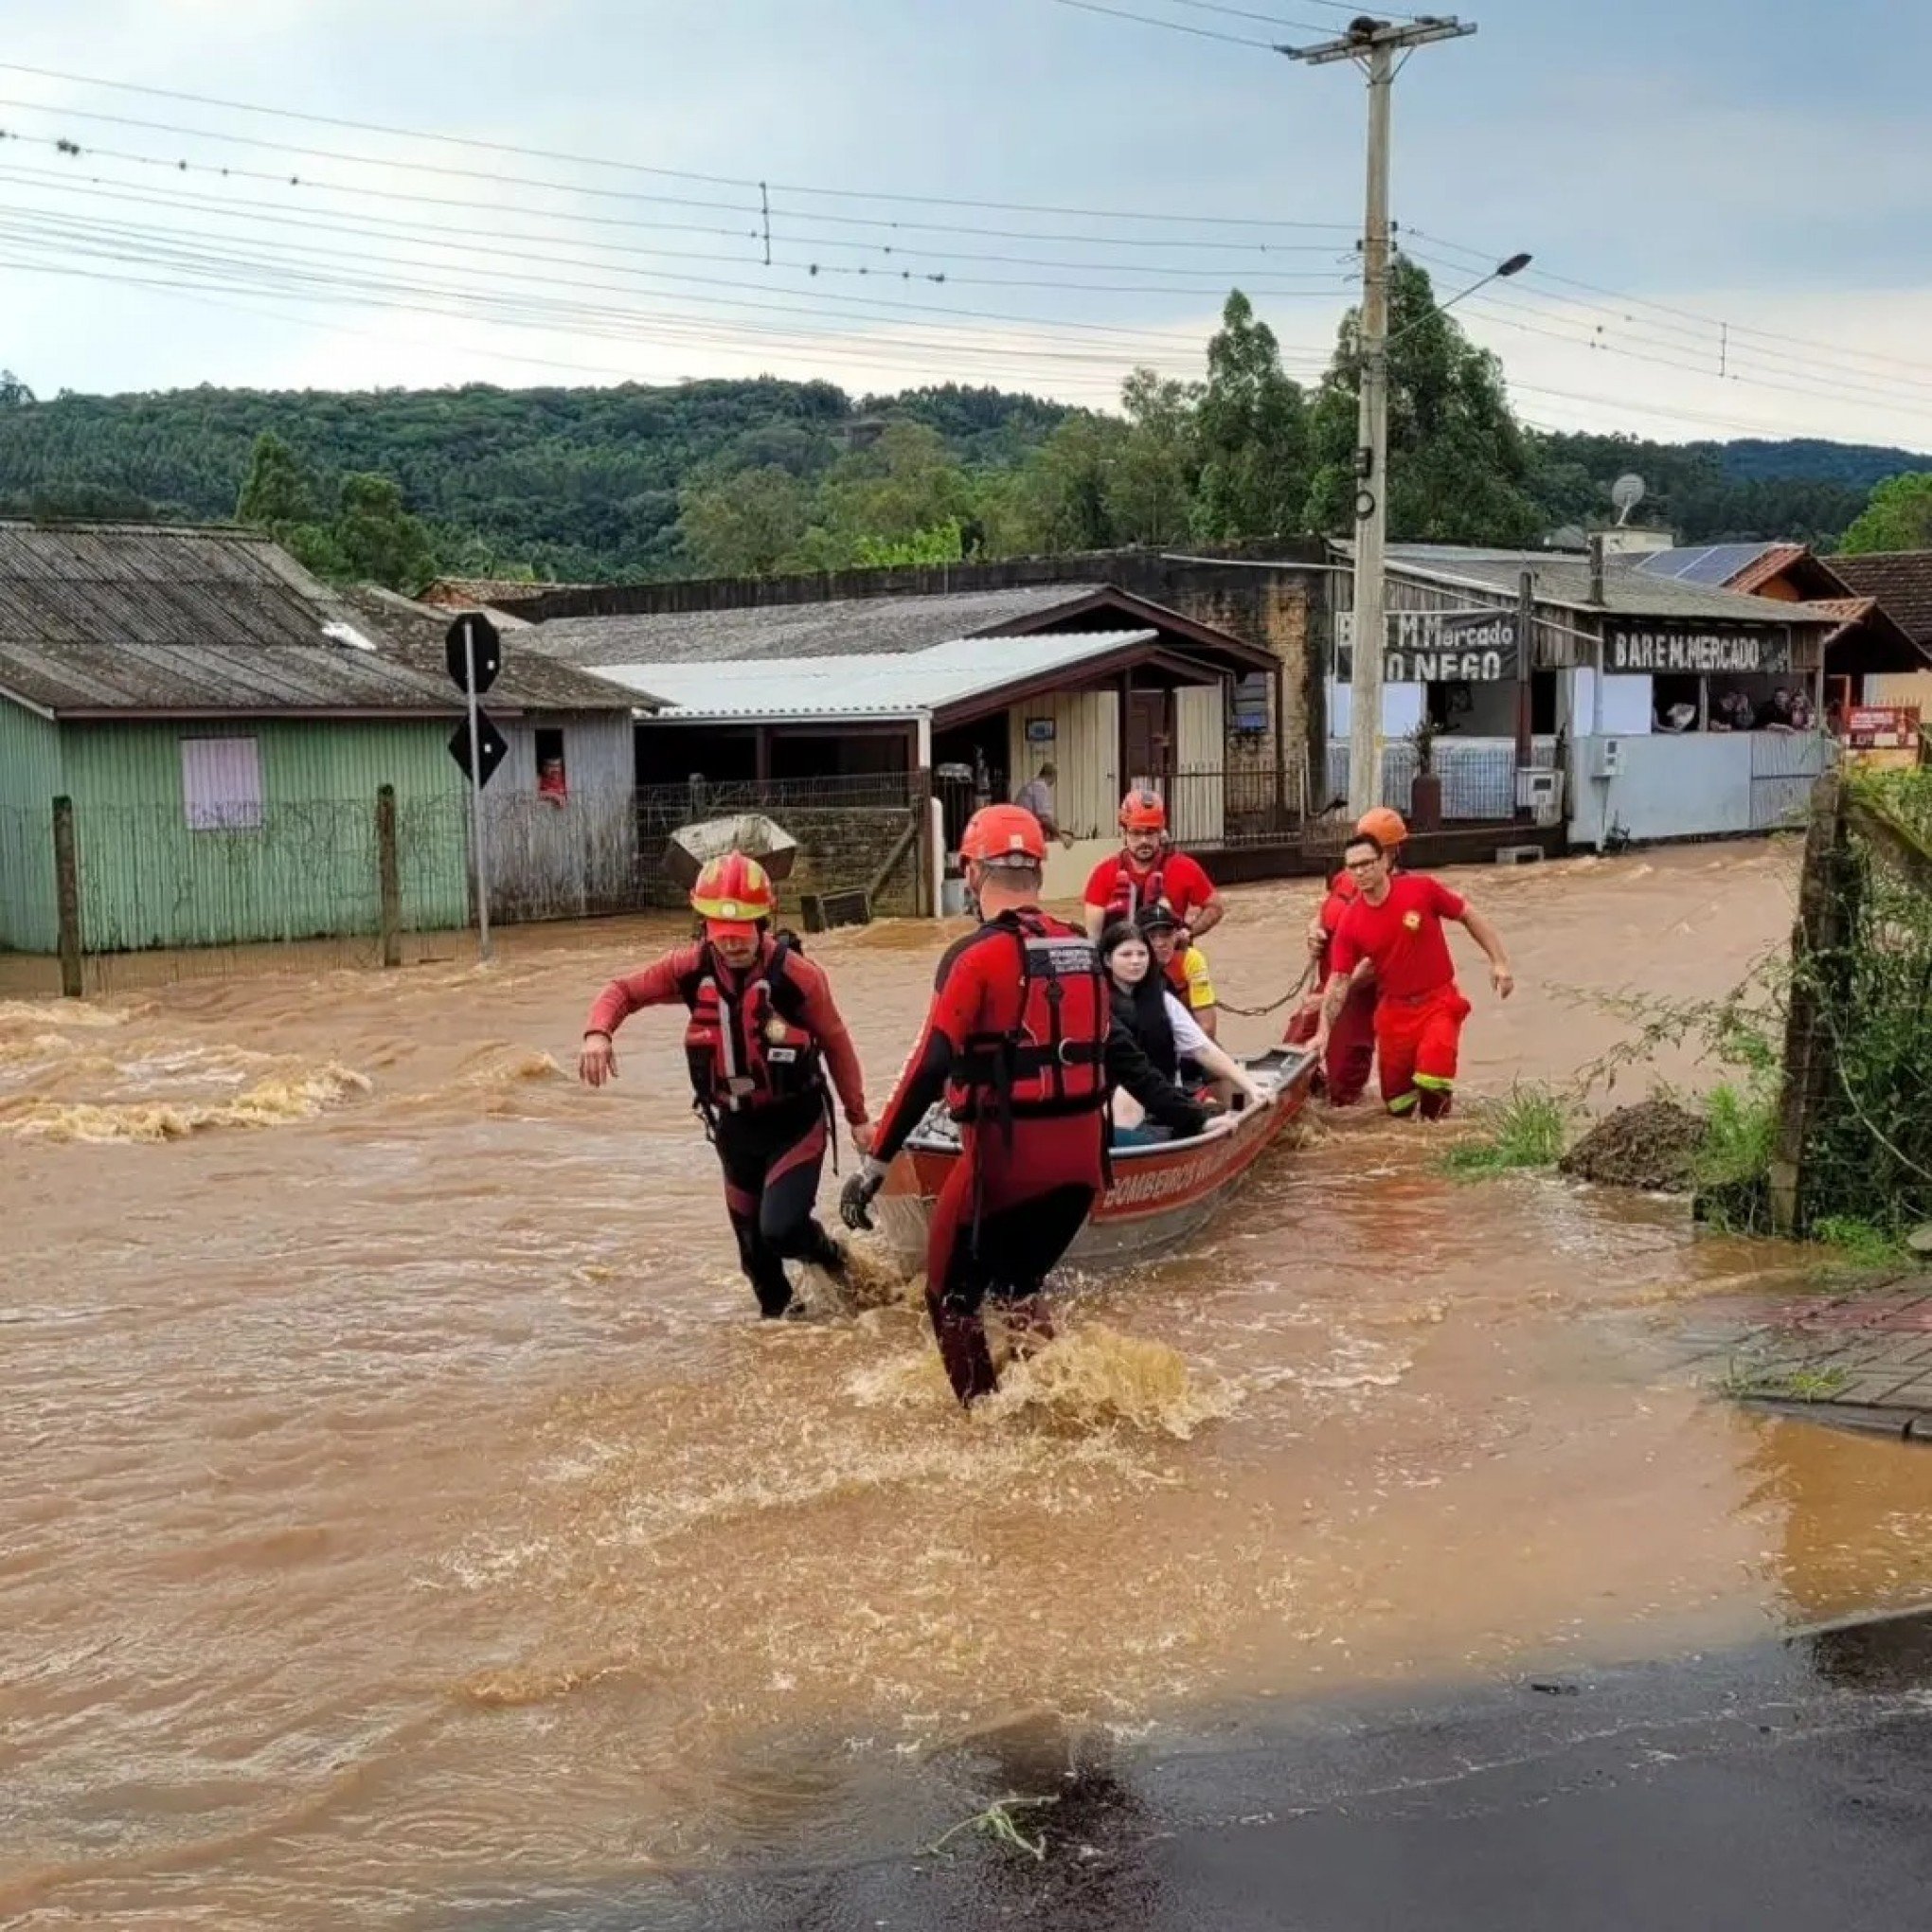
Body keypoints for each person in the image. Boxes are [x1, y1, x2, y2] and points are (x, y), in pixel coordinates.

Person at [839, 805, 1210, 1405]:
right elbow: (1125, 1060)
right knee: (1016, 1286)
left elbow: (930, 1068)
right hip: (1080, 1176)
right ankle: (1056, 1401)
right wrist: (1192, 1114)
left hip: (1005, 1167)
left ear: (972, 873)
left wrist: (876, 1166)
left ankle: (982, 1428)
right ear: (1038, 872)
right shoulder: (1086, 954)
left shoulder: (972, 957)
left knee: (951, 1299)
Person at [579, 852, 868, 1320]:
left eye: (741, 933)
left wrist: (859, 1119)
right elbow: (622, 991)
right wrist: (598, 1033)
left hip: (795, 1121)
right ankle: (794, 1346)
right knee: (756, 1261)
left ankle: (836, 1261)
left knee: (782, 1229)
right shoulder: (690, 968)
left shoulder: (798, 977)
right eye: (720, 934)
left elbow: (837, 1043)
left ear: (764, 921)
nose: (731, 945)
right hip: (736, 1128)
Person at [1314, 832, 1514, 1120]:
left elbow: (1467, 913)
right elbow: (1339, 979)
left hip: (1438, 1002)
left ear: (1384, 861)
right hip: (1394, 1012)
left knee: (1434, 1074)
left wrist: (1499, 962)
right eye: (1353, 867)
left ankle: (1438, 1141)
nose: (1360, 872)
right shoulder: (1350, 922)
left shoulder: (1420, 889)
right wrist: (1323, 1031)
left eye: (1367, 863)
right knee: (1397, 1104)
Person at [1282, 806, 1407, 1108]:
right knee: (1291, 1053)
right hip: (1329, 983)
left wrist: (1330, 993)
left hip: (1358, 994)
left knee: (1345, 1085)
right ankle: (1299, 1106)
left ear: (1390, 852)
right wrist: (1314, 932)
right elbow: (1324, 912)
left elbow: (1376, 963)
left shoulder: (1401, 894)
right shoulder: (1345, 879)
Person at [1100, 921, 1264, 1128]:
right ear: (1107, 960)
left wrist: (1250, 1086)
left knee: (1232, 1087)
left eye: (1142, 954)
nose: (1136, 962)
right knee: (1126, 1097)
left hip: (1168, 1095)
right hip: (1114, 1099)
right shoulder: (1095, 1004)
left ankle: (1233, 1111)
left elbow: (1202, 1048)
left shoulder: (1165, 1001)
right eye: (1126, 955)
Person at [1082, 789, 1225, 944]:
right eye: (1136, 833)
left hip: (1168, 954)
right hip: (1121, 957)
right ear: (1124, 833)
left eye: (1150, 832)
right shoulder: (1104, 872)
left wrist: (1188, 932)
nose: (1144, 840)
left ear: (1161, 833)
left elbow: (1215, 907)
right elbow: (1093, 935)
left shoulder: (1183, 867)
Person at [1136, 901, 1219, 1040]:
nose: (1160, 943)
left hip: (1188, 1039)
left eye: (1166, 935)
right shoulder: (1130, 964)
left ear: (1176, 935)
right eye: (1152, 937)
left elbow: (1207, 1027)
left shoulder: (1190, 959)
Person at [1012, 760, 1075, 849]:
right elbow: (1044, 817)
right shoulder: (1040, 787)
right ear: (1053, 776)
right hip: (1027, 834)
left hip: (1019, 831)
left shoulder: (1031, 785)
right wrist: (1062, 837)